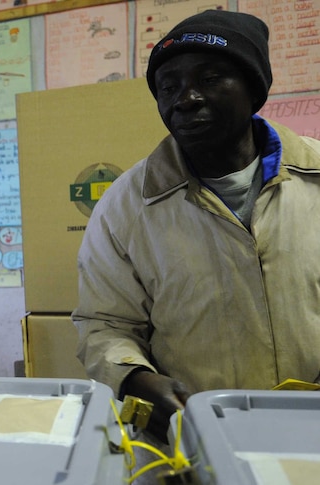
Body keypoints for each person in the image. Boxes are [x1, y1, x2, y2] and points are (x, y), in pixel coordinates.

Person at [72, 9, 320, 441]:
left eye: (209, 79)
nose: (185, 99)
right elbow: (103, 325)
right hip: (194, 437)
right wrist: (136, 381)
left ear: (253, 88)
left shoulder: (314, 175)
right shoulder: (127, 205)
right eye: (169, 87)